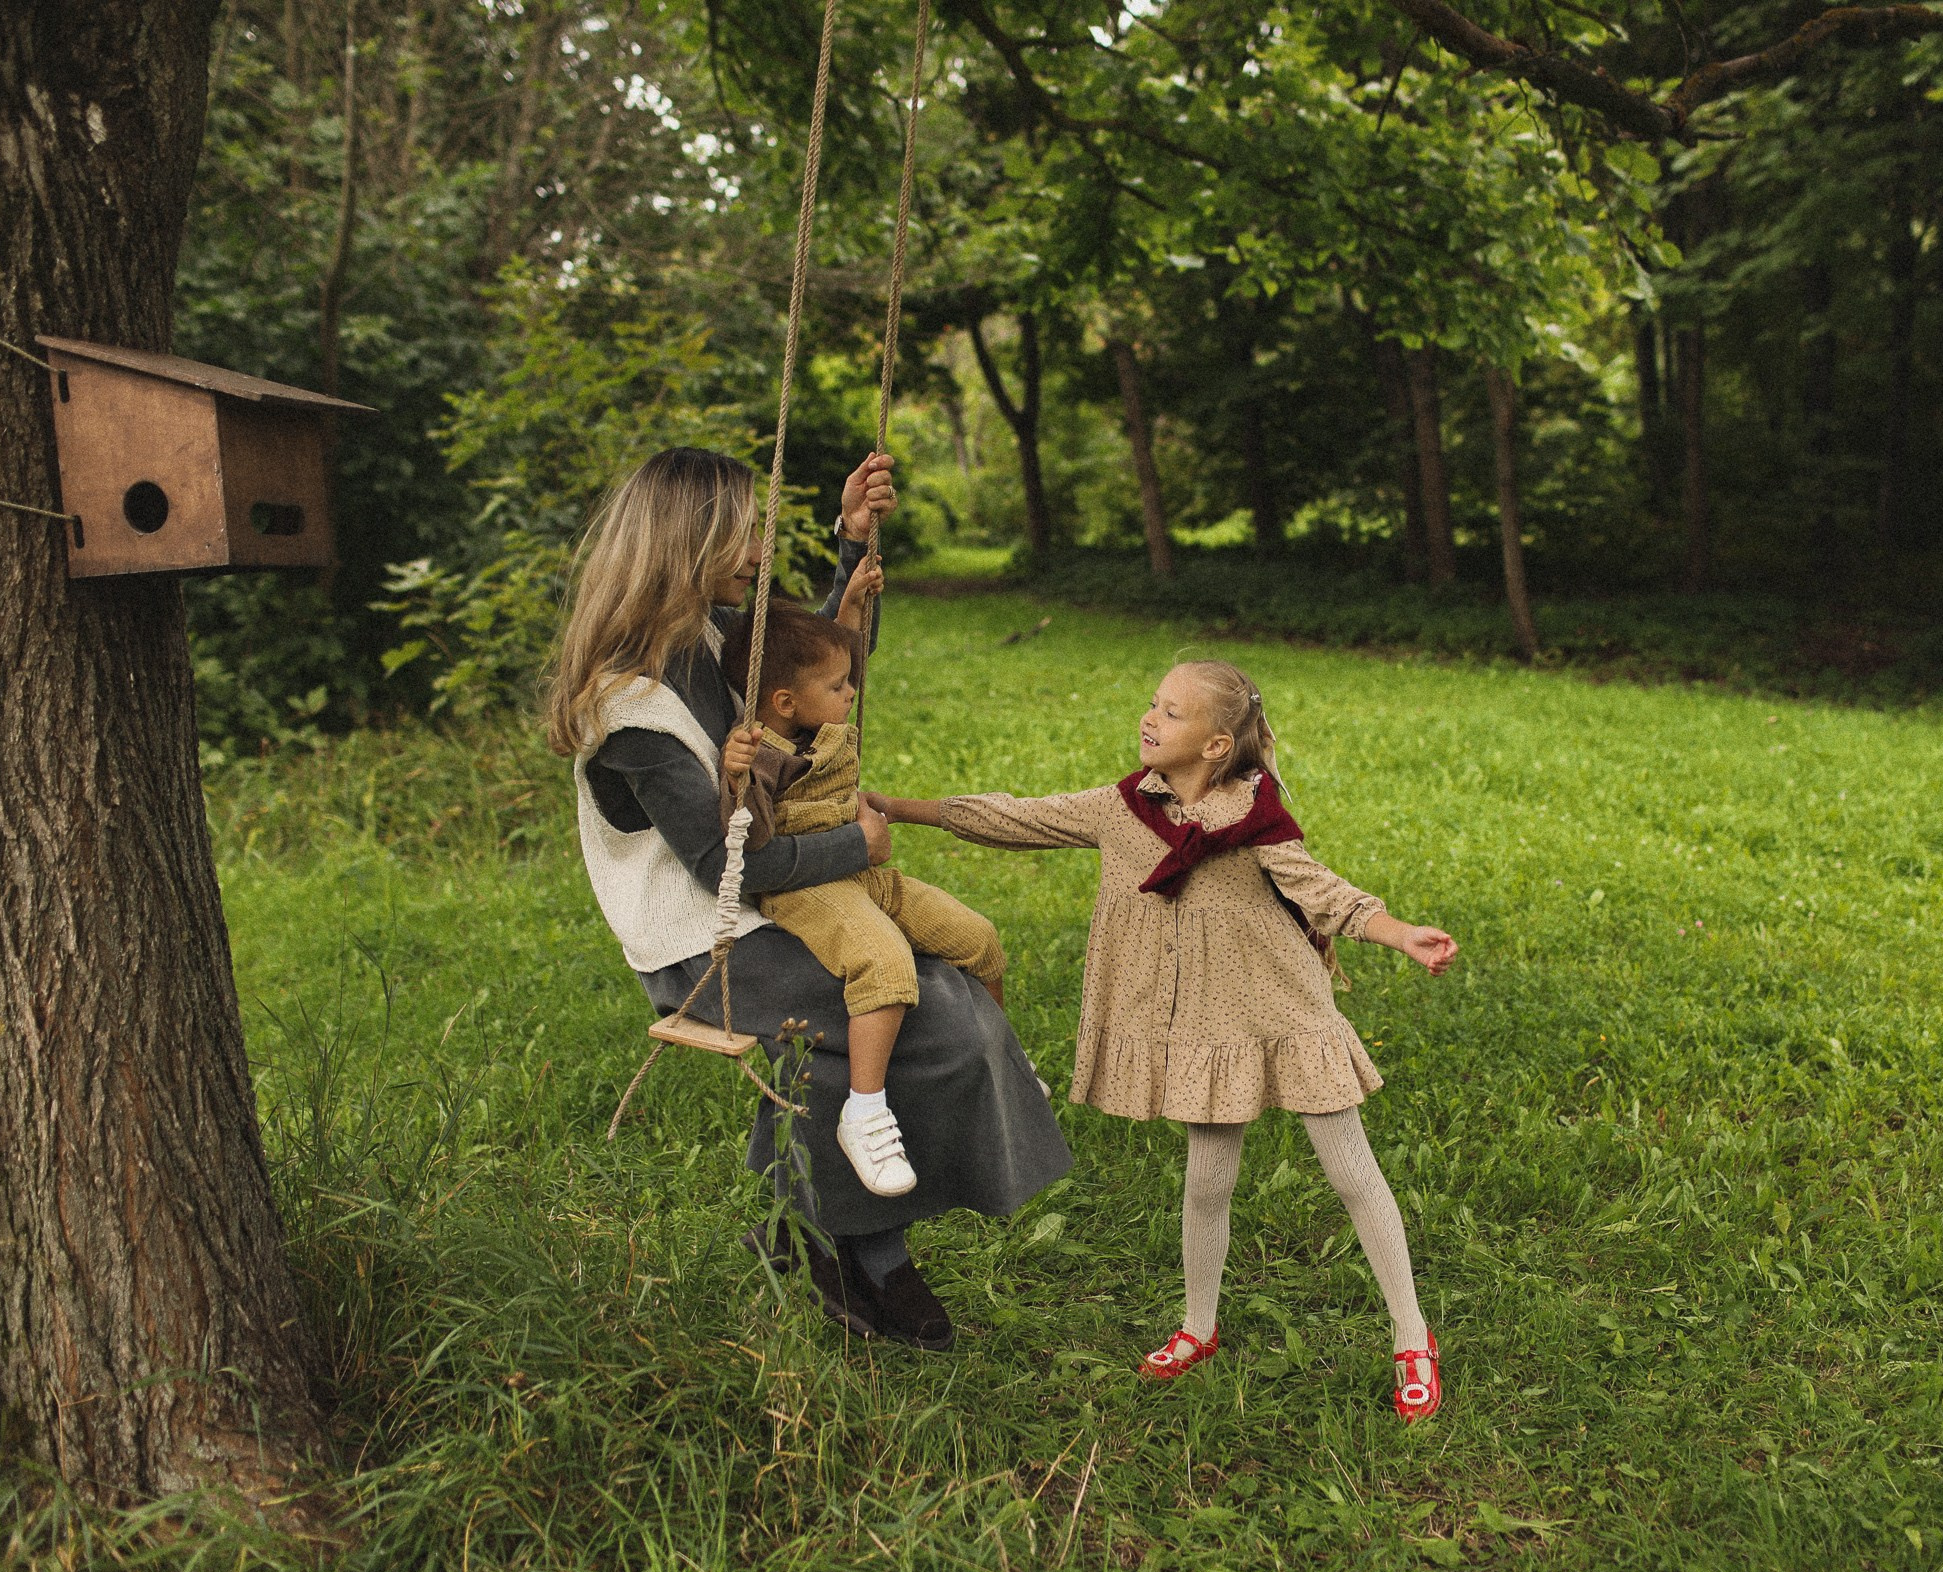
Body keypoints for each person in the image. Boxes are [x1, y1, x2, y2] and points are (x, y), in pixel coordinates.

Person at [546, 446, 1069, 1351]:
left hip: (787, 898)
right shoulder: (630, 706)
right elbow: (721, 868)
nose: (758, 542)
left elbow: (800, 670)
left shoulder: (706, 639)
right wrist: (853, 843)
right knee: (930, 1013)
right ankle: (849, 1245)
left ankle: (839, 1241)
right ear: (691, 539)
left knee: (921, 992)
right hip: (702, 941)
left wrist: (849, 548)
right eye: (745, 528)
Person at [873, 659, 1459, 1418]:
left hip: (1284, 1012)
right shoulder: (1121, 809)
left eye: (1173, 713)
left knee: (1351, 1172)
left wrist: (1401, 932)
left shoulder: (1255, 818)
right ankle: (1198, 1326)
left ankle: (1412, 1336)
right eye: (1153, 703)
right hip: (1206, 1029)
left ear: (1217, 745)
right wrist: (895, 805)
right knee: (1208, 1177)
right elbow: (1014, 816)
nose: (1151, 718)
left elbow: (1327, 894)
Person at [717, 598, 1009, 1198]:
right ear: (785, 703)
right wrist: (734, 777)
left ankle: (1000, 1063)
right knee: (884, 961)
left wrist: (852, 596)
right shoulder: (759, 754)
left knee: (978, 940)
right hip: (806, 889)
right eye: (838, 685)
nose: (852, 691)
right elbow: (748, 840)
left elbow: (842, 647)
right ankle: (866, 1110)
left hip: (863, 874)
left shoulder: (813, 719)